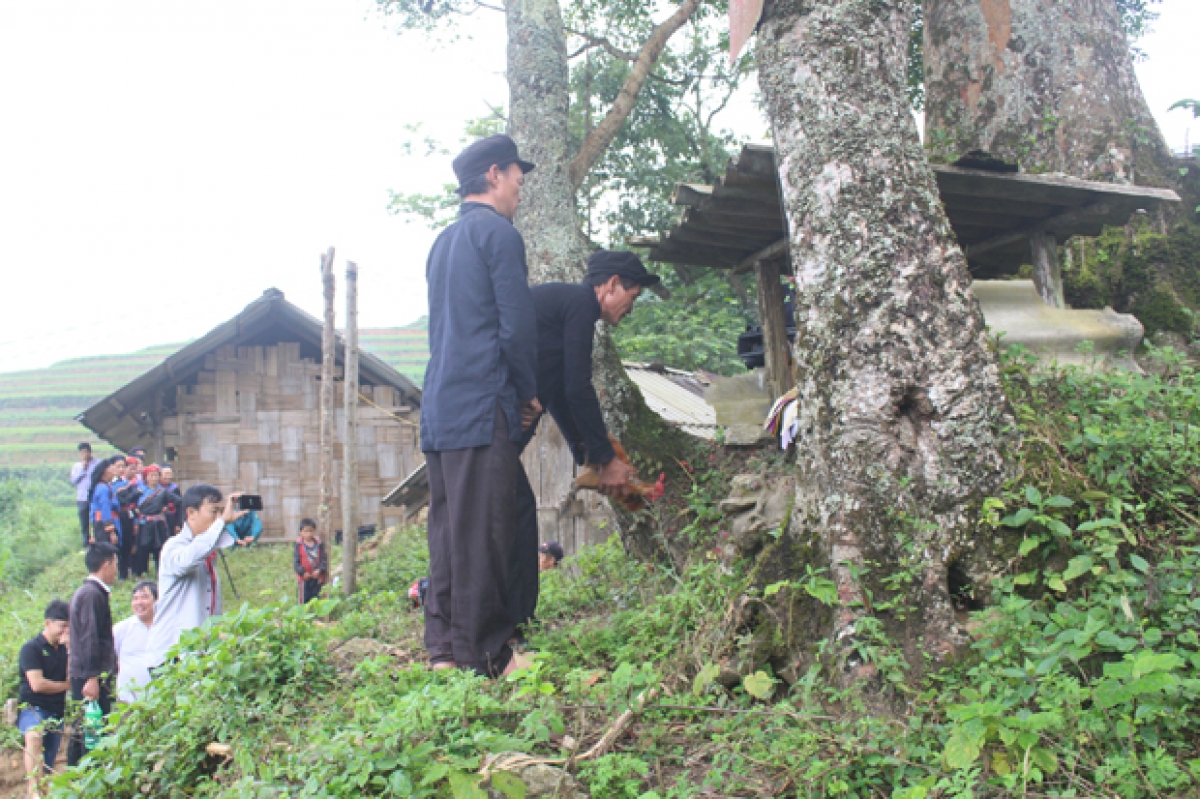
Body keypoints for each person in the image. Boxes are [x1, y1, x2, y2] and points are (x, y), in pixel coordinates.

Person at [421, 133, 539, 678]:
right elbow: (515, 327)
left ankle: (444, 648)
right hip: (481, 399)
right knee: (486, 529)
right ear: (494, 174)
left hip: (441, 406)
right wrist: (527, 392)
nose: (520, 186)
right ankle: (487, 654)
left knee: (450, 530)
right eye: (518, 174)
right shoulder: (498, 234)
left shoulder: (443, 242)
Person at [509, 250, 657, 628]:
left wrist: (587, 453)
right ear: (611, 286)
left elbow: (558, 393)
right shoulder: (578, 303)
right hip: (494, 416)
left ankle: (515, 621)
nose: (631, 309)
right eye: (633, 296)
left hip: (506, 420)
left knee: (513, 510)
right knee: (515, 514)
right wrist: (606, 460)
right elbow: (578, 388)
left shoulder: (565, 307)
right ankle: (512, 626)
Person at [147, 485, 245, 666]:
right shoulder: (174, 546)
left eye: (220, 512)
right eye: (213, 511)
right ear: (191, 513)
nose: (217, 518)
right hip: (172, 653)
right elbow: (188, 560)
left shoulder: (208, 552)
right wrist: (222, 522)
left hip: (198, 652)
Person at [66, 543, 118, 767]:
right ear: (106, 564)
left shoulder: (92, 593)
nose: (117, 570)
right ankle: (83, 778)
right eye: (115, 564)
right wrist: (92, 677)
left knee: (87, 727)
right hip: (89, 676)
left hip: (89, 673)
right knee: (89, 731)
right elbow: (90, 637)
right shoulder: (91, 595)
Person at [17, 600, 70, 795]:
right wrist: (65, 686)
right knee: (34, 736)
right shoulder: (31, 648)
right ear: (48, 623)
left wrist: (70, 648)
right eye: (62, 626)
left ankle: (42, 791)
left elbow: (71, 676)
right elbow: (37, 684)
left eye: (68, 627)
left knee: (47, 764)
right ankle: (32, 789)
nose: (65, 631)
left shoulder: (65, 648)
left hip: (57, 710)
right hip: (34, 708)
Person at [112, 581, 158, 703]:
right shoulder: (122, 629)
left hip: (160, 701)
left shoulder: (165, 628)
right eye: (135, 598)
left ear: (157, 601)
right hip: (128, 700)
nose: (139, 602)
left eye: (144, 597)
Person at [133, 466, 178, 577]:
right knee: (143, 547)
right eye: (151, 475)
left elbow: (177, 501)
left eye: (156, 475)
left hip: (158, 524)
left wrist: (167, 507)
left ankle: (161, 573)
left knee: (159, 548)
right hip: (144, 523)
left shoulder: (163, 492)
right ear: (146, 477)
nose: (154, 478)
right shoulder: (140, 490)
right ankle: (141, 572)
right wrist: (135, 510)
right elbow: (127, 501)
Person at [87, 456, 123, 548]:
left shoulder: (104, 486)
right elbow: (105, 510)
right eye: (112, 468)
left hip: (101, 524)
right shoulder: (103, 489)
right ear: (105, 471)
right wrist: (111, 532)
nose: (114, 470)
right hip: (104, 526)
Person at [292, 518, 328, 604]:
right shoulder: (299, 545)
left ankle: (317, 616)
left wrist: (319, 570)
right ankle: (303, 616)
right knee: (303, 600)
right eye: (305, 531)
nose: (308, 534)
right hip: (304, 579)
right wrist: (303, 572)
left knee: (316, 598)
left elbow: (324, 559)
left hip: (317, 577)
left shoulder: (319, 545)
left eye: (311, 531)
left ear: (314, 531)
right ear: (301, 532)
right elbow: (296, 562)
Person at [69, 443, 97, 549]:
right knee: (84, 522)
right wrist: (83, 469)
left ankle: (97, 543)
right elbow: (73, 480)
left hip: (95, 497)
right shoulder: (77, 466)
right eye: (82, 452)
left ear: (90, 452)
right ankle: (86, 545)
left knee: (96, 520)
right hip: (82, 498)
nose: (84, 454)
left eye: (86, 451)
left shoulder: (97, 464)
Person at [159, 466, 183, 535]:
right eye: (166, 474)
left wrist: (178, 524)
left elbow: (179, 506)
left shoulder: (175, 488)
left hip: (171, 518)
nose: (169, 477)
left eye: (170, 474)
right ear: (160, 475)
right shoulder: (156, 488)